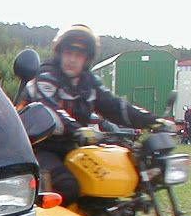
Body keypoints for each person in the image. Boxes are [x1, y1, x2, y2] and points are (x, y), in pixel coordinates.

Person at [18, 25, 173, 206]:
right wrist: (79, 130)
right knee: (67, 185)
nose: (72, 59)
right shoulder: (45, 75)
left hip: (71, 147)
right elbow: (50, 109)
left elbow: (115, 106)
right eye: (69, 53)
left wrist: (152, 121)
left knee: (109, 177)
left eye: (79, 55)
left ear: (87, 59)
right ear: (60, 54)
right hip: (35, 147)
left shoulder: (89, 83)